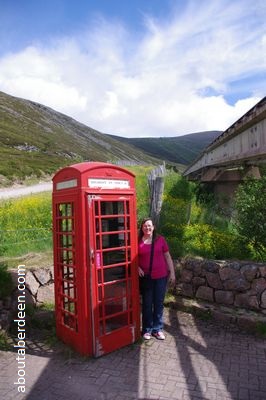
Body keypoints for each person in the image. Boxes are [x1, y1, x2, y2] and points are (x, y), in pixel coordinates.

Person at [138, 217, 176, 340]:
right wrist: (137, 267)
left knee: (158, 303)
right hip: (146, 278)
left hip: (161, 276)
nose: (147, 228)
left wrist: (173, 273)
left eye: (149, 226)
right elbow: (132, 257)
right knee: (147, 304)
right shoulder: (138, 241)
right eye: (145, 226)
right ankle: (147, 329)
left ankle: (157, 329)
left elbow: (168, 256)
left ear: (153, 227)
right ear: (142, 228)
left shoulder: (160, 240)